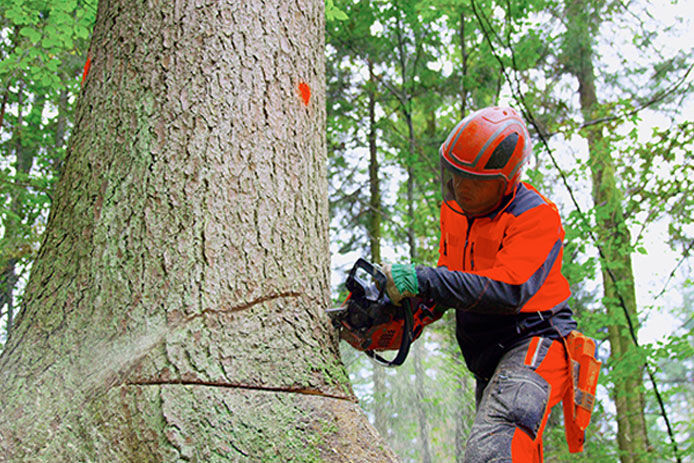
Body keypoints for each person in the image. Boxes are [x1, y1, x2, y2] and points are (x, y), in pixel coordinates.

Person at [382, 106, 587, 462]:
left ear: (505, 182)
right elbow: (454, 279)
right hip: (488, 357)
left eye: (475, 181)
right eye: (456, 176)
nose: (461, 187)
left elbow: (509, 291)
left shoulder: (536, 216)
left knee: (493, 448)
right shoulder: (456, 212)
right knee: (510, 451)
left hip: (534, 341)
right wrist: (408, 310)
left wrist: (427, 278)